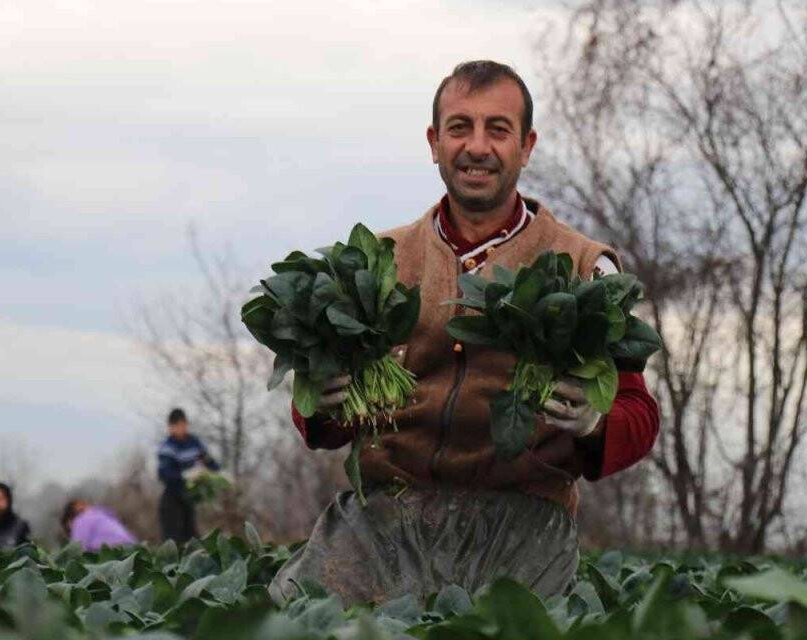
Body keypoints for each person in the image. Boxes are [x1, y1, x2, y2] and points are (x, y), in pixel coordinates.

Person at [271, 60, 661, 605]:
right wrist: (320, 400)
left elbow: (639, 415)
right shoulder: (375, 259)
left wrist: (596, 423)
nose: (477, 146)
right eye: (460, 127)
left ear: (526, 146)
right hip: (385, 513)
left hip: (523, 519)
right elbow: (321, 423)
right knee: (292, 616)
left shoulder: (584, 267)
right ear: (434, 142)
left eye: (497, 130)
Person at [156, 408, 220, 543]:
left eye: (183, 425)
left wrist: (214, 473)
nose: (181, 429)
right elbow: (163, 474)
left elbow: (210, 462)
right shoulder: (167, 447)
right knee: (173, 540)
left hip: (188, 498)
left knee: (192, 539)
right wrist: (185, 476)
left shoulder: (194, 442)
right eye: (176, 426)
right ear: (171, 427)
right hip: (172, 499)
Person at [61, 499, 137, 551]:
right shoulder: (103, 514)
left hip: (115, 553)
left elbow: (78, 549)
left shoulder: (81, 519)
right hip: (134, 548)